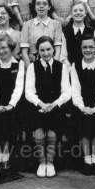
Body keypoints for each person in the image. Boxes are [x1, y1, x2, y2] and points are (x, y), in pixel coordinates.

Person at [25, 36, 71, 178]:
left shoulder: (61, 66)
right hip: (38, 105)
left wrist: (55, 104)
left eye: (48, 49)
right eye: (42, 50)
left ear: (53, 49)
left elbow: (66, 91)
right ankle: (42, 162)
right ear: (37, 51)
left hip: (55, 106)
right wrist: (41, 104)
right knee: (39, 131)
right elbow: (29, 91)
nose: (46, 53)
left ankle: (50, 162)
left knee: (52, 131)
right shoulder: (33, 67)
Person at [71, 35, 95, 176]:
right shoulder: (75, 65)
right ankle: (87, 161)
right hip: (82, 105)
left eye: (91, 47)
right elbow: (75, 89)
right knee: (84, 131)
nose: (88, 50)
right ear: (81, 49)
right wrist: (82, 107)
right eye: (85, 47)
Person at [0, 34, 24, 170]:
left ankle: (6, 156)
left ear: (11, 48)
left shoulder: (19, 64)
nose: (1, 51)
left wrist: (11, 105)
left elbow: (19, 87)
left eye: (4, 48)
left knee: (9, 126)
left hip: (12, 104)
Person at [20, 0, 62, 69]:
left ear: (49, 7)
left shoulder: (56, 24)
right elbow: (24, 52)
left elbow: (58, 50)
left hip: (51, 64)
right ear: (34, 7)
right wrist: (31, 70)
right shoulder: (27, 25)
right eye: (38, 4)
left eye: (44, 4)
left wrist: (53, 68)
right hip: (33, 64)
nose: (41, 6)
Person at [62, 0, 95, 67]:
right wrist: (69, 67)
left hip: (90, 68)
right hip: (70, 68)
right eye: (75, 11)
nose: (78, 13)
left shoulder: (92, 31)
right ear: (71, 14)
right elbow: (63, 55)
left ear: (85, 13)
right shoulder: (65, 31)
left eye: (81, 10)